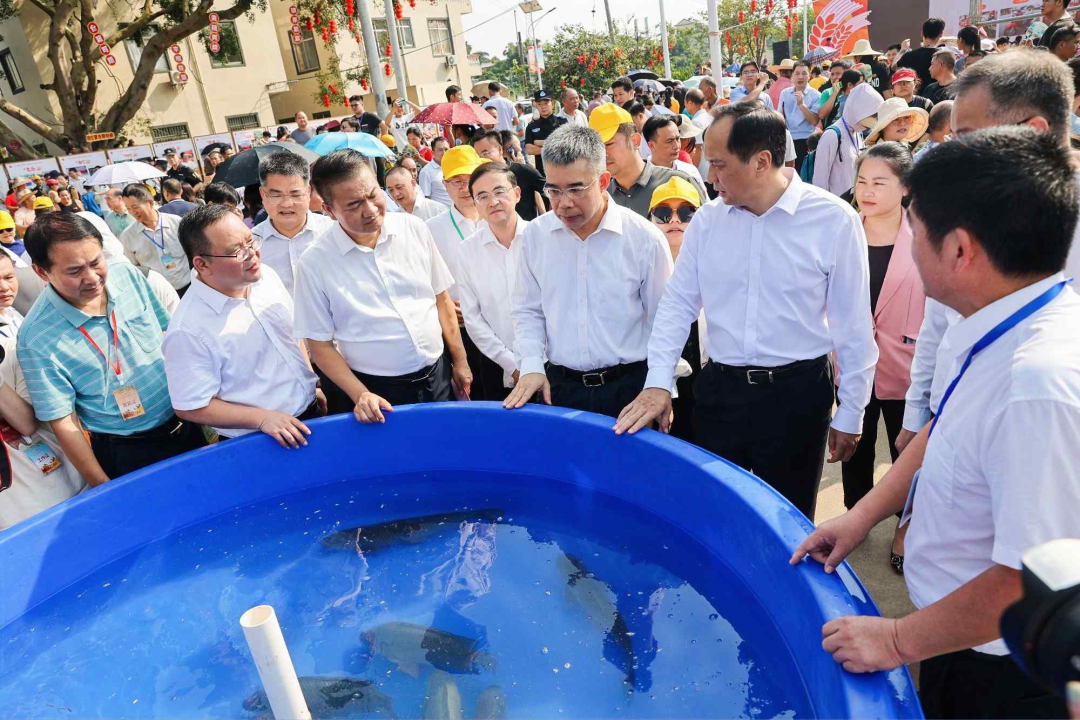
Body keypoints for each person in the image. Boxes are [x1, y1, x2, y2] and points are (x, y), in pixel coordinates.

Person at [791, 127, 1077, 720]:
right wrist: (862, 516)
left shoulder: (1035, 387)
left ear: (960, 250)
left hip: (1000, 666)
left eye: (916, 230)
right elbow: (941, 430)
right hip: (953, 631)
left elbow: (1029, 578)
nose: (908, 244)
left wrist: (897, 640)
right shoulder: (996, 321)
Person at [615, 103, 877, 520]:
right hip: (722, 393)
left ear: (761, 161)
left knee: (787, 521)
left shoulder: (833, 220)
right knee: (716, 515)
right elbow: (678, 305)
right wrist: (658, 381)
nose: (710, 177)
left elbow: (854, 326)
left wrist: (851, 410)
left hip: (797, 396)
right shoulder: (708, 222)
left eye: (719, 165)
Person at [18, 213, 207, 484]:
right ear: (41, 271)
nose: (92, 277)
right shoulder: (36, 338)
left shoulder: (128, 275)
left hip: (185, 421)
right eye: (74, 271)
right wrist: (102, 485)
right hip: (127, 450)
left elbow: (167, 335)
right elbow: (63, 420)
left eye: (96, 262)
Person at [505, 124, 673, 419]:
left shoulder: (643, 238)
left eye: (576, 189)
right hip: (560, 389)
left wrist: (660, 385)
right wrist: (531, 364)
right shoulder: (535, 237)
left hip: (630, 391)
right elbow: (528, 310)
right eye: (553, 190)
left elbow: (665, 320)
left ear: (603, 181)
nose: (564, 203)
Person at [293, 150, 472, 420]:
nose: (370, 210)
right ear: (329, 210)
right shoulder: (314, 263)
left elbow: (440, 300)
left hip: (439, 376)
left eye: (373, 194)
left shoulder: (414, 228)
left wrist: (460, 361)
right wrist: (361, 394)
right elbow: (319, 345)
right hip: (376, 393)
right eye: (354, 205)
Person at [165, 205, 324, 445]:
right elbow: (191, 405)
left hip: (311, 412)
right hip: (260, 439)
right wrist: (262, 419)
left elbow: (292, 338)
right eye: (237, 251)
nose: (252, 254)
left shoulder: (265, 276)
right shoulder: (187, 330)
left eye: (251, 241)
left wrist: (313, 384)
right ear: (202, 264)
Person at [840, 142, 925, 518]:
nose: (868, 191)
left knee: (906, 454)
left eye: (879, 182)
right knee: (854, 446)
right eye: (862, 182)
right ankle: (855, 515)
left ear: (906, 186)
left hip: (908, 367)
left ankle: (909, 523)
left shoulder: (926, 236)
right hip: (851, 364)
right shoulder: (843, 232)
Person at [0, 251, 87, 530]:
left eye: (8, 277)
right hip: (19, 485)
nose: (4, 287)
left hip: (54, 453)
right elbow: (25, 421)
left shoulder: (17, 317)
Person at [455, 162, 528, 402]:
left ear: (517, 193)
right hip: (496, 367)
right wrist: (512, 365)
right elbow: (473, 318)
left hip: (552, 364)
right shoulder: (467, 251)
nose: (493, 202)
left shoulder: (541, 238)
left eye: (499, 191)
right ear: (475, 203)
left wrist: (535, 363)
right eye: (483, 196)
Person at [647, 176, 704, 444]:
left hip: (706, 379)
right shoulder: (640, 267)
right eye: (663, 213)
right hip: (656, 380)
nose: (674, 220)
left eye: (685, 212)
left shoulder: (717, 261)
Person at [590, 103, 699, 220]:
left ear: (635, 141)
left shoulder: (678, 181)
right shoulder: (599, 197)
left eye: (609, 144)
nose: (602, 153)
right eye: (596, 148)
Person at [250, 152, 335, 298]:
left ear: (308, 192)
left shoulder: (333, 231)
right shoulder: (250, 245)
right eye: (276, 195)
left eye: (295, 194)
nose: (287, 204)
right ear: (263, 195)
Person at [813, 83, 884, 198]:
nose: (869, 124)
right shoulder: (832, 135)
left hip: (852, 201)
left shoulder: (858, 133)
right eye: (870, 116)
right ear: (857, 111)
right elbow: (819, 180)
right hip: (835, 204)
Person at [119, 184, 190, 295]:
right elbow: (133, 267)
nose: (132, 212)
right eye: (128, 208)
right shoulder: (128, 236)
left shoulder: (176, 222)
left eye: (135, 207)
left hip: (189, 285)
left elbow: (191, 250)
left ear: (150, 203)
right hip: (160, 293)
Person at [472, 130, 548, 221]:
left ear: (500, 150)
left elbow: (552, 192)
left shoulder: (524, 171)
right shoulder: (479, 180)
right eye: (477, 156)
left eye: (485, 153)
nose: (481, 159)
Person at [641, 115, 709, 202]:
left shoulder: (690, 171)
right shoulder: (641, 177)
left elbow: (705, 203)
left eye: (677, 138)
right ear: (651, 145)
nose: (676, 146)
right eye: (669, 141)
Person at [778, 61, 822, 172]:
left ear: (809, 75)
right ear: (792, 75)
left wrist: (801, 105)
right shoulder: (785, 93)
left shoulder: (816, 95)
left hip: (806, 140)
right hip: (788, 139)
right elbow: (780, 115)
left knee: (804, 174)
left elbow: (814, 120)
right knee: (788, 174)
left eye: (804, 73)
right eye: (797, 73)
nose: (800, 77)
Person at [524, 89, 569, 176]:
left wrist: (539, 142)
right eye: (539, 104)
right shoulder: (531, 126)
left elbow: (565, 147)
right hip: (542, 173)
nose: (543, 107)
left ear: (553, 103)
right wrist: (554, 147)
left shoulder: (562, 123)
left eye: (546, 103)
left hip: (562, 171)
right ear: (536, 105)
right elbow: (529, 150)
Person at [897, 17, 947, 90]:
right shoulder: (946, 57)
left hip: (914, 95)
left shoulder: (909, 56)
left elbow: (893, 67)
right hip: (938, 95)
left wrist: (902, 50)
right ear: (941, 34)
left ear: (922, 33)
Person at [817, 60, 854, 127]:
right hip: (831, 130)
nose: (834, 77)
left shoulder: (853, 92)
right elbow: (821, 115)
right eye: (832, 74)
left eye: (838, 74)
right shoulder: (827, 92)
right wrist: (835, 93)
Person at [418, 137, 454, 207]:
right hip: (440, 212)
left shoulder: (453, 167)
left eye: (446, 149)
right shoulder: (426, 172)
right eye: (440, 150)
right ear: (433, 152)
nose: (444, 153)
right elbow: (426, 198)